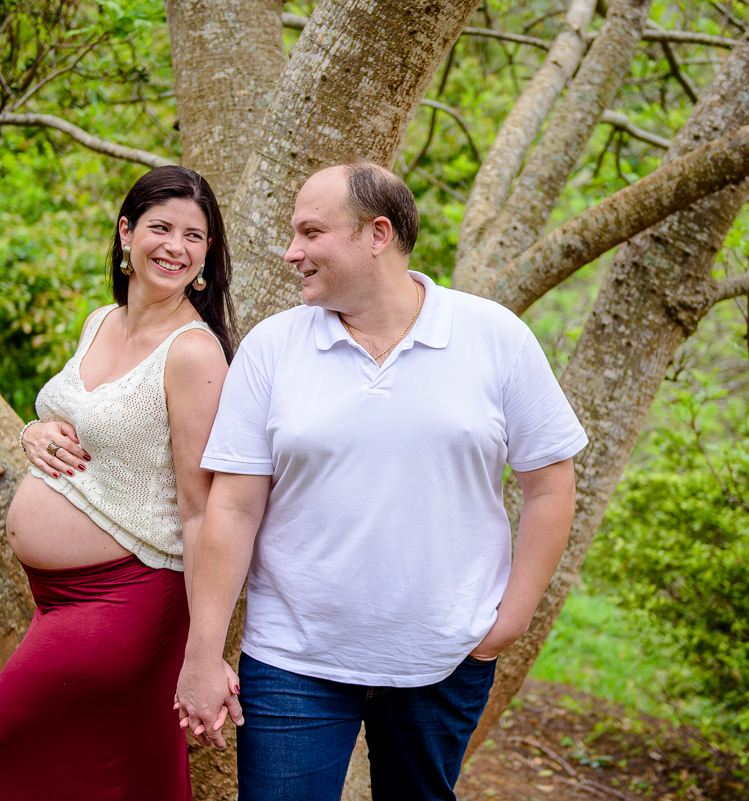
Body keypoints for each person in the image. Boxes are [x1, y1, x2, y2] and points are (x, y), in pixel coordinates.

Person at [175, 162, 588, 800]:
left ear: (377, 234)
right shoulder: (272, 347)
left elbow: (552, 487)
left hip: (444, 657)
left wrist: (509, 621)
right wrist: (202, 653)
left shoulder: (494, 336)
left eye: (312, 232)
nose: (292, 252)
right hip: (293, 660)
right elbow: (232, 509)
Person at [0, 165, 244, 800]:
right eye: (161, 227)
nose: (175, 247)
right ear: (126, 232)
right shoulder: (101, 321)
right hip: (58, 597)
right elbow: (81, 420)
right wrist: (33, 432)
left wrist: (203, 651)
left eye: (194, 236)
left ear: (207, 255)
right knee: (117, 770)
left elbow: (203, 510)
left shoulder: (193, 354)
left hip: (126, 597)